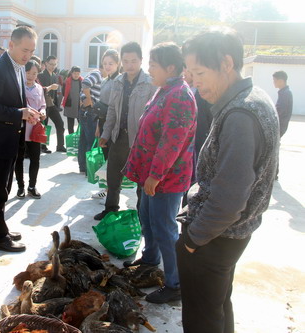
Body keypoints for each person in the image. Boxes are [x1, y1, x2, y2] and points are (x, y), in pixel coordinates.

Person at [179, 29, 279, 333]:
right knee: (217, 306)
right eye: (190, 73)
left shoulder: (240, 114)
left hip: (214, 238)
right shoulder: (251, 99)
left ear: (226, 63)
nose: (195, 82)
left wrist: (193, 239)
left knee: (202, 317)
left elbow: (230, 197)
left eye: (199, 72)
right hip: (225, 235)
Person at [123, 42, 197, 304]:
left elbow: (171, 142)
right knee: (147, 218)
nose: (150, 69)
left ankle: (175, 282)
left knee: (165, 228)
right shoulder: (165, 90)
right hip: (150, 176)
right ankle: (151, 260)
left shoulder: (179, 95)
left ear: (171, 67)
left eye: (154, 65)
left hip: (166, 179)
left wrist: (155, 175)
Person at [0, 26, 40, 252]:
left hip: (10, 138)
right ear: (11, 45)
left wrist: (28, 112)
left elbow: (15, 101)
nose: (27, 56)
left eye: (31, 51)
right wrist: (19, 114)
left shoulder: (19, 67)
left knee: (4, 187)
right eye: (24, 50)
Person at [94, 42, 156, 220]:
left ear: (141, 60)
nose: (130, 65)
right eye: (126, 61)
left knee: (140, 181)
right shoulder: (118, 82)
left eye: (134, 61)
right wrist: (106, 134)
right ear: (122, 61)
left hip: (140, 140)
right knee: (113, 176)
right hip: (119, 137)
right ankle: (110, 209)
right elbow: (112, 109)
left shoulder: (150, 83)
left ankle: (141, 215)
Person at [91, 49, 121, 201]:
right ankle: (106, 188)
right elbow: (101, 105)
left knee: (113, 161)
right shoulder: (105, 81)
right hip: (103, 123)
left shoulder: (120, 81)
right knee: (106, 159)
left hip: (114, 125)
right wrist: (98, 126)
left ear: (117, 64)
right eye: (105, 63)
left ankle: (111, 192)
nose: (108, 66)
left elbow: (115, 107)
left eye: (111, 63)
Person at [15, 60, 46, 199]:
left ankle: (32, 186)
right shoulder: (19, 87)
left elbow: (43, 104)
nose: (31, 76)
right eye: (28, 72)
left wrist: (43, 111)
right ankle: (20, 186)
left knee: (35, 158)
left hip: (34, 128)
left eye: (34, 73)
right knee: (19, 158)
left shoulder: (39, 88)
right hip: (21, 127)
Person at [78, 63, 104, 175]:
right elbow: (85, 83)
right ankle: (90, 169)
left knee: (84, 140)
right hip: (90, 112)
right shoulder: (97, 73)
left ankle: (83, 167)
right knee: (91, 141)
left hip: (87, 111)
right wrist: (88, 99)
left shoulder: (101, 76)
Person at [38, 55, 66, 153]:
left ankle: (60, 146)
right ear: (46, 63)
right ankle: (43, 147)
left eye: (55, 64)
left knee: (60, 124)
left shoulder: (55, 76)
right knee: (43, 126)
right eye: (51, 64)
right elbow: (39, 89)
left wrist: (58, 105)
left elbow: (56, 93)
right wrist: (50, 87)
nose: (53, 66)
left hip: (52, 104)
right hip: (43, 104)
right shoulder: (40, 75)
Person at [61, 66, 82, 134]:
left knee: (81, 123)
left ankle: (81, 137)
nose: (76, 75)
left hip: (79, 105)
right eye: (75, 73)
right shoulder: (67, 82)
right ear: (71, 73)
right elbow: (64, 93)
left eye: (78, 73)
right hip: (69, 105)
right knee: (70, 124)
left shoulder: (82, 81)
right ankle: (71, 137)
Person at [272, 70, 293, 138]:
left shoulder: (285, 94)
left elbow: (280, 111)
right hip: (280, 126)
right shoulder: (284, 92)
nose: (273, 82)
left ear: (281, 81)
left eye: (275, 80)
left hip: (279, 126)